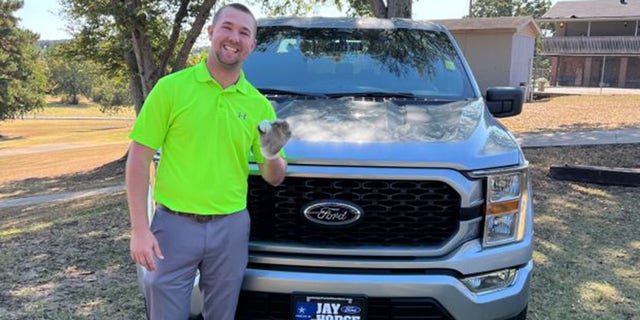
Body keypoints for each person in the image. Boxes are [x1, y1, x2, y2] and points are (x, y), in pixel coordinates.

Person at [125, 3, 291, 319]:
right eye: (227, 27)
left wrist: (272, 151)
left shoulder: (261, 106)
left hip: (231, 228)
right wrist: (139, 229)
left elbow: (275, 176)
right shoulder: (171, 88)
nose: (234, 38)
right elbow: (138, 158)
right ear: (211, 32)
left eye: (244, 33)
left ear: (252, 46)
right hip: (172, 226)